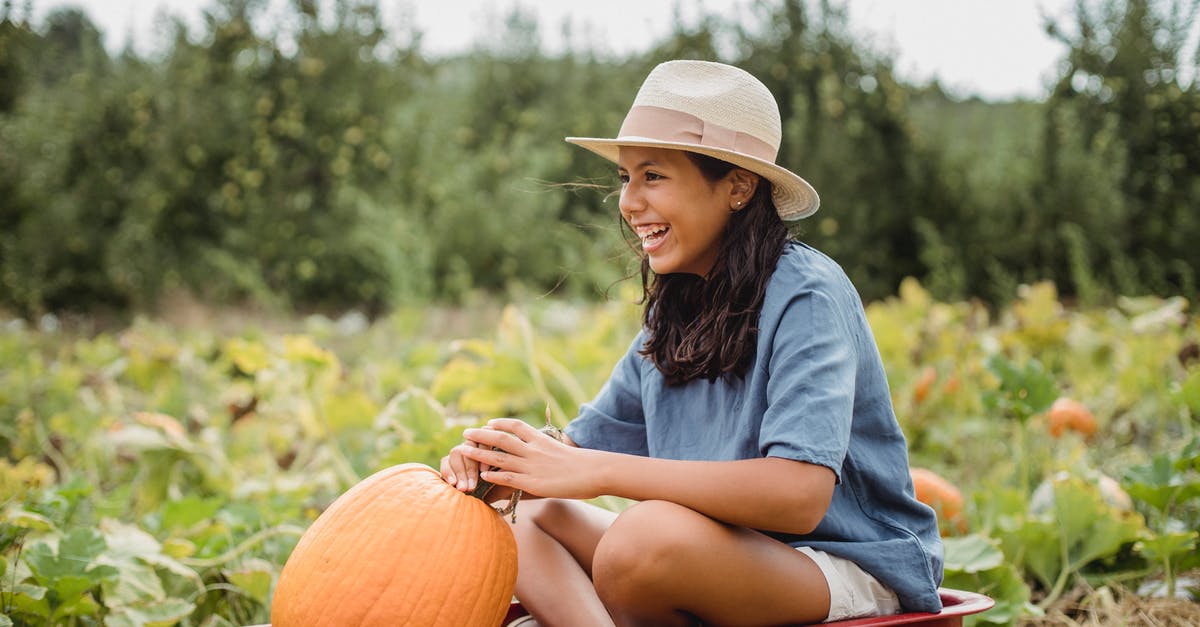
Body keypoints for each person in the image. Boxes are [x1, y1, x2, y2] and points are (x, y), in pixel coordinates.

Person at [440, 59, 943, 626]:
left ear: (737, 186)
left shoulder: (807, 295)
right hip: (724, 554)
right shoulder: (674, 312)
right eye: (626, 177)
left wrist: (600, 472)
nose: (629, 202)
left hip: (841, 563)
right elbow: (579, 453)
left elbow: (798, 497)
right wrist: (503, 468)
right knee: (521, 518)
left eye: (653, 176)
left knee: (643, 541)